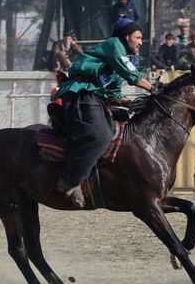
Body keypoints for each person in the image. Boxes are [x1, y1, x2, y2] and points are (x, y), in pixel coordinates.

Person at [53, 18, 154, 207]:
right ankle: (70, 181)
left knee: (126, 119)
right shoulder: (114, 44)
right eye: (138, 37)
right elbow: (132, 75)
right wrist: (154, 89)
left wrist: (130, 104)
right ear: (126, 36)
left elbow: (114, 94)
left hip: (95, 98)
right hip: (81, 93)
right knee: (100, 136)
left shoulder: (117, 61)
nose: (141, 42)